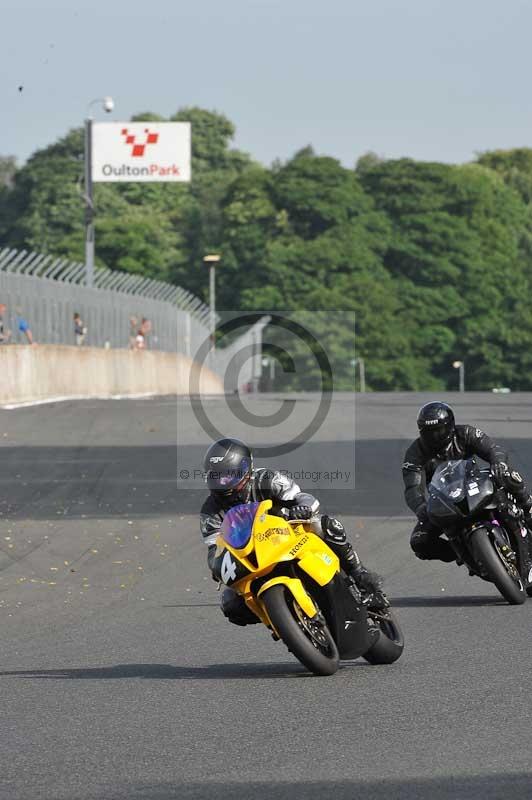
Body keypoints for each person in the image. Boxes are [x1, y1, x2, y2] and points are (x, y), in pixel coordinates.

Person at [200, 437, 386, 626]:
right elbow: (214, 547)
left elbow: (302, 498)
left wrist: (302, 507)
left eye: (228, 475)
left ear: (246, 469)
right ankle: (280, 619)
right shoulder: (210, 510)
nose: (223, 482)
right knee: (230, 604)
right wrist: (216, 565)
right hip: (252, 557)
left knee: (326, 525)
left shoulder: (267, 479)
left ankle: (361, 576)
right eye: (216, 477)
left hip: (288, 536)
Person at [402, 401, 532, 564]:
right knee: (420, 542)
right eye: (429, 432)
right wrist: (421, 508)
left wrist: (498, 462)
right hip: (443, 500)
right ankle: (461, 553)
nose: (435, 436)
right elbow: (412, 488)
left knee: (507, 474)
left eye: (439, 430)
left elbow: (493, 449)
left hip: (475, 484)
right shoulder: (415, 453)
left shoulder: (466, 433)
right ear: (421, 431)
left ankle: (528, 506)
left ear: (450, 425)